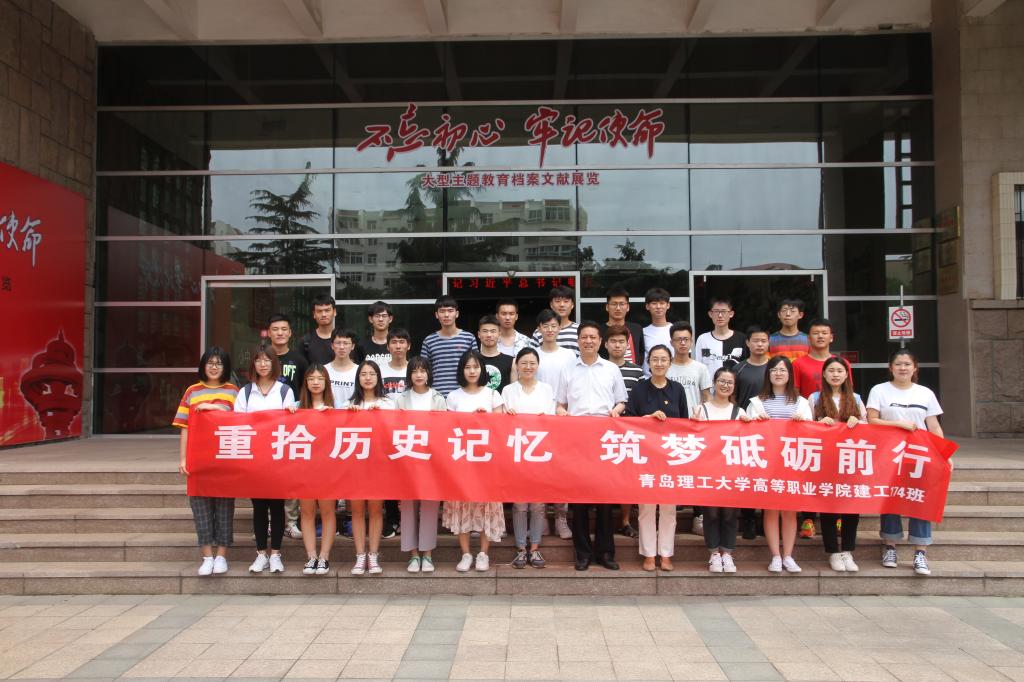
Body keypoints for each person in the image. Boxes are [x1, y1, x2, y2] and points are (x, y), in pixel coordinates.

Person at [556, 322, 628, 571]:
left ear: (600, 342)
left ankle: (606, 553)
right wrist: (561, 412)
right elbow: (560, 403)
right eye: (584, 337)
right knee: (579, 500)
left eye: (593, 337)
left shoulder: (611, 369)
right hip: (577, 440)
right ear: (578, 341)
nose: (588, 341)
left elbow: (622, 401)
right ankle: (583, 553)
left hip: (604, 438)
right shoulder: (567, 369)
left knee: (605, 499)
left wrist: (616, 410)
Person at [866, 349, 944, 576]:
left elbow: (934, 426)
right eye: (898, 364)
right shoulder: (879, 390)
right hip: (889, 453)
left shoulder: (925, 393)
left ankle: (920, 552)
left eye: (907, 364)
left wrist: (943, 454)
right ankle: (890, 546)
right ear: (890, 368)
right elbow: (871, 420)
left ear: (914, 368)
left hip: (919, 454)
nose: (903, 368)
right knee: (891, 499)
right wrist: (899, 425)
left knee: (920, 499)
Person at [173, 346, 239, 576]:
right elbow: (184, 427)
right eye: (210, 363)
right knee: (200, 509)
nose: (214, 367)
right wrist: (184, 458)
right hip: (198, 460)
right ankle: (207, 557)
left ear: (225, 367)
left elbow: (240, 422)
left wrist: (214, 407)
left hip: (225, 459)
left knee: (224, 509)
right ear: (203, 365)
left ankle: (221, 556)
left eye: (219, 363)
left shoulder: (233, 391)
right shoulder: (192, 391)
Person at [625, 345, 688, 571]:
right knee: (646, 508)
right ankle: (649, 554)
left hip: (671, 457)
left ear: (670, 362)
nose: (659, 364)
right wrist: (647, 419)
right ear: (648, 362)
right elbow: (628, 421)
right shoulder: (639, 389)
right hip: (646, 457)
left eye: (663, 359)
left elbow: (684, 423)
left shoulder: (677, 389)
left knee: (669, 508)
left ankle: (666, 553)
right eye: (655, 359)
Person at [235, 343, 296, 574]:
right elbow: (238, 424)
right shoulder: (245, 392)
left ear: (274, 363)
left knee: (277, 506)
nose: (263, 364)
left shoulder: (284, 391)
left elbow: (290, 425)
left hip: (278, 459)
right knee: (259, 506)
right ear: (253, 364)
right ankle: (261, 554)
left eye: (267, 360)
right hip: (254, 459)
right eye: (258, 360)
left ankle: (276, 554)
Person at [747, 356, 811, 573]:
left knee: (790, 511)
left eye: (783, 370)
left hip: (793, 463)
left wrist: (802, 424)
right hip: (767, 465)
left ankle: (788, 556)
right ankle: (775, 555)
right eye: (774, 370)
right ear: (768, 374)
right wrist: (755, 423)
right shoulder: (757, 402)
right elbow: (747, 432)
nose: (778, 373)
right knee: (771, 510)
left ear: (790, 374)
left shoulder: (802, 402)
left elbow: (812, 432)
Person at [443, 350, 506, 572]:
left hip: (487, 461)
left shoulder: (493, 395)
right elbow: (447, 429)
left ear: (482, 369)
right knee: (462, 506)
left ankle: (483, 554)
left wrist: (485, 419)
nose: (472, 371)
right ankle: (466, 553)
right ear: (462, 370)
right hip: (462, 461)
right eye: (468, 367)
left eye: (476, 367)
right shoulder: (453, 396)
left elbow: (501, 428)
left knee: (487, 505)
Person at [792, 318, 851, 539]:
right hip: (813, 430)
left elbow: (849, 395)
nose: (820, 336)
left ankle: (838, 516)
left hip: (840, 436)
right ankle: (808, 518)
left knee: (837, 475)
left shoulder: (842, 363)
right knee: (812, 474)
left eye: (824, 333)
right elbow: (796, 395)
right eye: (815, 333)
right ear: (808, 338)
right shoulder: (799, 363)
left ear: (831, 337)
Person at [810, 356, 866, 573]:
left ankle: (848, 551)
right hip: (825, 461)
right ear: (824, 374)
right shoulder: (814, 398)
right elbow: (805, 426)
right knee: (829, 507)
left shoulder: (856, 398)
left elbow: (868, 427)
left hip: (850, 461)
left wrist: (858, 422)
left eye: (839, 371)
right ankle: (833, 551)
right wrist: (818, 423)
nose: (835, 374)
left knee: (852, 507)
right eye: (831, 370)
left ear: (846, 375)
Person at [502, 347, 555, 569]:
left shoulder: (546, 390)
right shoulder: (508, 391)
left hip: (540, 456)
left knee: (538, 505)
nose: (528, 367)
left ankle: (535, 548)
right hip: (517, 456)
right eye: (523, 363)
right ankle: (521, 549)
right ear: (517, 365)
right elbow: (501, 422)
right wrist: (508, 416)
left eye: (532, 363)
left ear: (538, 365)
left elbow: (552, 421)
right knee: (520, 505)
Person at [394, 356, 447, 573]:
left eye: (422, 371)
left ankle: (428, 554)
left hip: (431, 462)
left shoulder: (438, 398)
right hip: (407, 460)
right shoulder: (401, 399)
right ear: (410, 374)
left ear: (428, 374)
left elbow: (443, 431)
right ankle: (413, 554)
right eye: (415, 371)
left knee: (430, 508)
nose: (419, 375)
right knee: (408, 508)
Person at [692, 367, 747, 573]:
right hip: (709, 471)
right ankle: (714, 553)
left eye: (729, 382)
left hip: (732, 472)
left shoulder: (740, 412)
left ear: (734, 386)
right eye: (721, 381)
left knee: (729, 514)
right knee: (712, 514)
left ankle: (728, 553)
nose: (725, 385)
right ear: (714, 383)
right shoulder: (701, 409)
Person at [342, 360, 394, 575]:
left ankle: (373, 554)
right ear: (358, 378)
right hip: (355, 466)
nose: (368, 378)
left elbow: (394, 432)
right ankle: (359, 555)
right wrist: (350, 416)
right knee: (356, 510)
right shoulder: (348, 404)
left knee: (375, 509)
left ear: (378, 377)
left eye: (372, 374)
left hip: (378, 465)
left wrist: (380, 416)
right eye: (363, 374)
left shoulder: (388, 403)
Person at [533, 308, 577, 541]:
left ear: (559, 328)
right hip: (537, 419)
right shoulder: (532, 354)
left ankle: (561, 518)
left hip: (562, 419)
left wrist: (565, 409)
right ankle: (540, 519)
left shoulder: (569, 355)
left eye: (553, 326)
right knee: (539, 471)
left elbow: (574, 385)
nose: (550, 330)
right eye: (545, 326)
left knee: (561, 471)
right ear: (539, 329)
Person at [665, 321, 712, 537]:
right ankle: (672, 512)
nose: (682, 343)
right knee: (673, 469)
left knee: (696, 472)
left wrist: (706, 421)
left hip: (695, 426)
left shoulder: (700, 368)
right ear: (671, 342)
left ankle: (698, 515)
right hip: (670, 427)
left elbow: (707, 397)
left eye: (686, 339)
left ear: (692, 341)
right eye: (678, 339)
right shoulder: (666, 366)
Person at [291, 365, 337, 576]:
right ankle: (311, 556)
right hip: (303, 469)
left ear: (326, 382)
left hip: (327, 469)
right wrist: (289, 414)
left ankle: (324, 556)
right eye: (311, 379)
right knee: (307, 512)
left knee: (327, 511)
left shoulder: (336, 407)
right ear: (306, 383)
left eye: (320, 378)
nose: (316, 382)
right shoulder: (296, 406)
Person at [267, 313, 309, 540]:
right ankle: (270, 522)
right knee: (269, 475)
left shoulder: (299, 360)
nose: (280, 333)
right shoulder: (263, 357)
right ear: (269, 333)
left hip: (293, 425)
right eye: (275, 329)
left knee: (291, 474)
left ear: (290, 333)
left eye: (284, 329)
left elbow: (305, 390)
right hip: (267, 426)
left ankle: (291, 522)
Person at [606, 324, 645, 539]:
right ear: (606, 344)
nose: (617, 345)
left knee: (627, 477)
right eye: (613, 341)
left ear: (627, 345)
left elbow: (639, 399)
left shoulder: (637, 371)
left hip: (628, 431)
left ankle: (626, 520)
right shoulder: (600, 367)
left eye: (621, 341)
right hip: (602, 429)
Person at [732, 325, 771, 540]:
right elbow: (733, 397)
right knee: (747, 475)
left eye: (763, 340)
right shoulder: (739, 369)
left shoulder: (775, 368)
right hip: (744, 427)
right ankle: (748, 519)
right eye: (755, 340)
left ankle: (765, 520)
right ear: (747, 343)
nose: (759, 344)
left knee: (766, 475)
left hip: (769, 429)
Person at [421, 295, 477, 397]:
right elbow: (423, 370)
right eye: (442, 311)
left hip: (464, 395)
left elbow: (476, 368)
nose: (446, 315)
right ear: (436, 315)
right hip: (437, 396)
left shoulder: (469, 338)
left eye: (450, 311)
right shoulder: (429, 341)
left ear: (457, 314)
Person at [693, 297, 748, 376]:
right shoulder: (703, 339)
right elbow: (699, 367)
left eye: (723, 311)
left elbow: (746, 366)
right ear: (710, 314)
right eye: (716, 311)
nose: (720, 315)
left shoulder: (741, 338)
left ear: (731, 314)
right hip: (710, 383)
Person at [600, 285, 645, 365]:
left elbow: (641, 353)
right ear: (607, 307)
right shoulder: (599, 331)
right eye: (614, 304)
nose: (618, 308)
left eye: (622, 304)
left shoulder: (637, 329)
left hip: (632, 372)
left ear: (628, 307)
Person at [530, 285, 579, 353]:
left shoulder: (579, 330)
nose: (562, 305)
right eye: (558, 301)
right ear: (551, 305)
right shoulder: (539, 331)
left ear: (572, 305)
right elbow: (532, 356)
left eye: (566, 301)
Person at [299, 294, 338, 366]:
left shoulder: (343, 339)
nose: (323, 314)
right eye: (319, 311)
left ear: (334, 312)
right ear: (314, 314)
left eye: (327, 310)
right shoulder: (306, 341)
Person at [478, 314, 513, 392]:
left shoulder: (511, 361)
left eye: (493, 331)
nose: (489, 335)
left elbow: (513, 392)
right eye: (485, 331)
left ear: (499, 334)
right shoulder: (473, 360)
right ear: (479, 334)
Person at [325, 329, 358, 408]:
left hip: (352, 413)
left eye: (346, 343)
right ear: (332, 345)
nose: (342, 347)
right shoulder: (324, 370)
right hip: (329, 413)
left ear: (353, 346)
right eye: (338, 343)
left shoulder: (359, 371)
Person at [641, 288, 673, 373]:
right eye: (654, 303)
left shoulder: (676, 331)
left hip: (673, 378)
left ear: (668, 305)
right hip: (649, 379)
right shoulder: (642, 332)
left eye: (662, 303)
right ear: (647, 306)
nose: (658, 307)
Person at [361, 301, 394, 367]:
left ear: (390, 319)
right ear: (370, 319)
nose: (380, 319)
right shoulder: (362, 345)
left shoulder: (397, 345)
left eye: (384, 316)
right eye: (377, 316)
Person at [381, 328, 411, 397]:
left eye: (402, 342)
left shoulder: (414, 370)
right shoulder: (380, 370)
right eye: (394, 342)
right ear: (388, 346)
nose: (398, 346)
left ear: (409, 346)